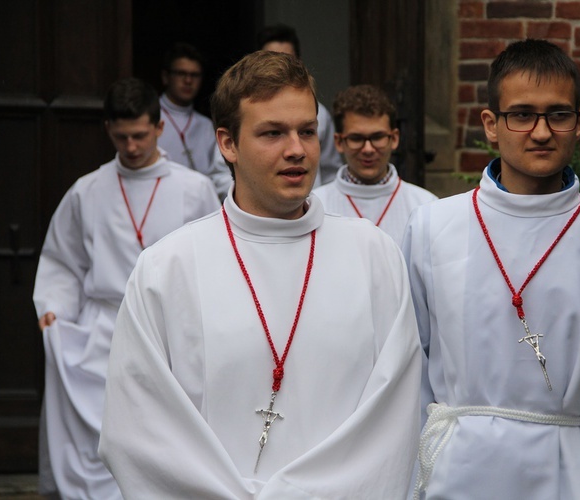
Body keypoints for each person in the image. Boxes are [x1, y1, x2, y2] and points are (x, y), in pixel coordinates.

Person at [98, 51, 421, 499]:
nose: (296, 149)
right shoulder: (167, 268)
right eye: (272, 132)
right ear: (227, 143)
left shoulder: (374, 256)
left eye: (307, 131)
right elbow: (138, 426)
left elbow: (394, 417)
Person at [404, 39, 580, 499]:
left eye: (559, 114)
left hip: (566, 475)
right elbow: (411, 378)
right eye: (522, 114)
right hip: (454, 472)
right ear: (491, 123)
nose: (542, 132)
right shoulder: (432, 228)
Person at [32, 77, 219, 499]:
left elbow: (213, 259)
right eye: (121, 137)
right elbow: (64, 260)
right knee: (95, 431)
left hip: (170, 327)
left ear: (158, 128)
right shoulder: (88, 190)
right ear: (108, 132)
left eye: (139, 135)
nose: (131, 147)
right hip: (103, 327)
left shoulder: (195, 189)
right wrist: (54, 307)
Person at [313, 84, 437, 245]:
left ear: (394, 138)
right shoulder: (315, 205)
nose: (368, 149)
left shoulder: (425, 205)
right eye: (356, 139)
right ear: (339, 142)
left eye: (377, 137)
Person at [257, 23, 341, 187]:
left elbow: (330, 171)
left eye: (307, 132)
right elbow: (223, 173)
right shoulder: (243, 110)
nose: (279, 66)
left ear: (299, 61)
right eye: (272, 133)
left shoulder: (319, 114)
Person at [160, 41, 233, 199]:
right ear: (166, 77)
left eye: (194, 75)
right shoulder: (151, 118)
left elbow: (218, 174)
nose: (188, 81)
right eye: (181, 73)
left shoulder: (206, 125)